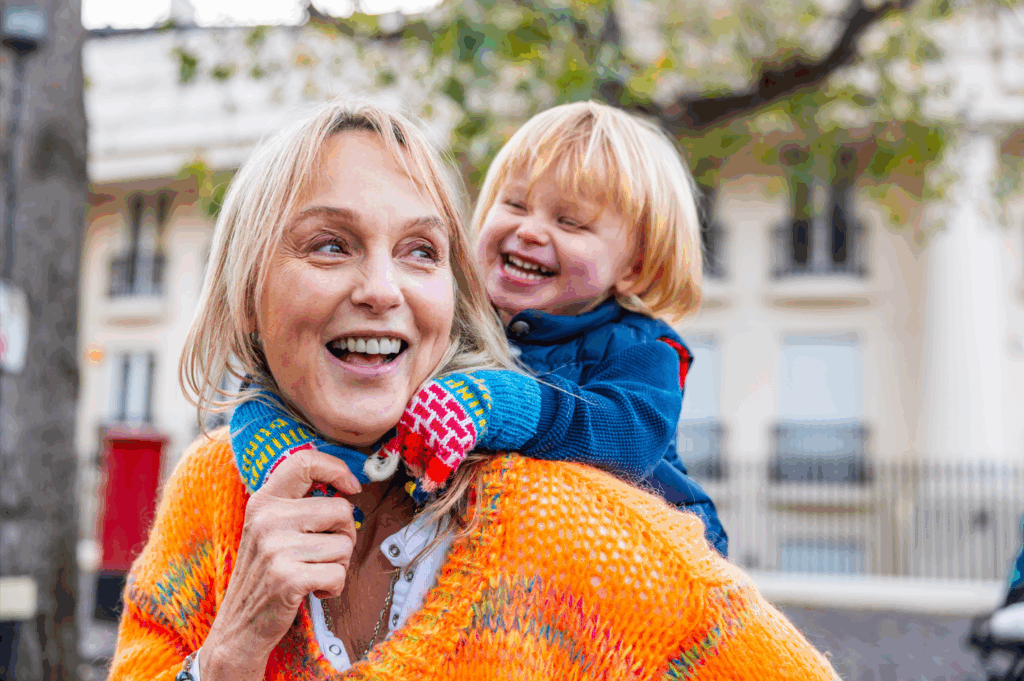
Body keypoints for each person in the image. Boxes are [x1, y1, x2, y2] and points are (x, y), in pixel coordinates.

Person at [108, 99, 839, 680]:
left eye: (420, 250)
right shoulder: (212, 493)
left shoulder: (579, 525)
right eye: (331, 243)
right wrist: (228, 655)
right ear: (245, 294)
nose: (382, 289)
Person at [231, 100, 726, 555]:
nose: (530, 230)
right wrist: (273, 442)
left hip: (650, 547)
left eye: (570, 222)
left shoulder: (643, 347)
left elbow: (630, 437)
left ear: (634, 269)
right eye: (513, 204)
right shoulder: (456, 318)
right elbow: (281, 374)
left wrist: (501, 403)